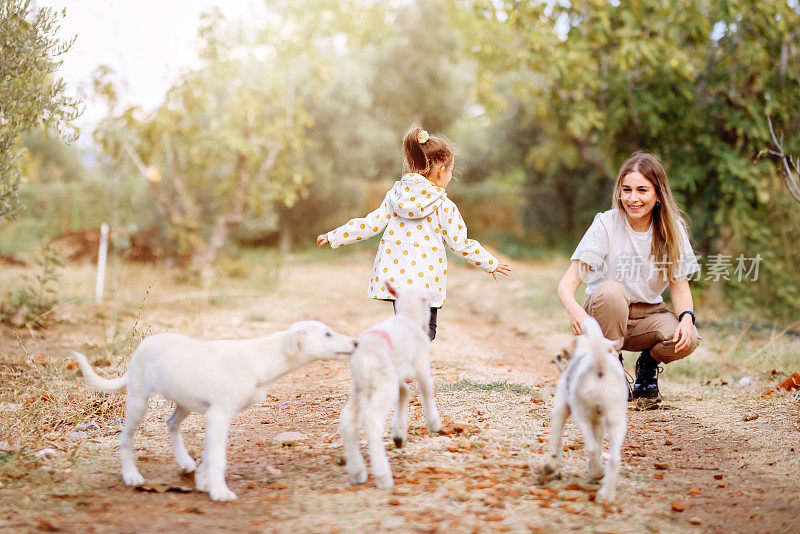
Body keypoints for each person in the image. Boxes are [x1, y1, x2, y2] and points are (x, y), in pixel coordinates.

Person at [317, 125, 512, 340]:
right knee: (426, 332)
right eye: (451, 171)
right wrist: (489, 263)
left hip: (397, 278)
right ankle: (405, 364)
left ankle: (402, 361)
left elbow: (370, 224)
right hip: (426, 282)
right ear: (441, 171)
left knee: (406, 326)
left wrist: (335, 235)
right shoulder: (443, 205)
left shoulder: (395, 196)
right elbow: (460, 244)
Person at [557, 151, 700, 399]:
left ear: (658, 195)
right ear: (619, 192)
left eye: (642, 190)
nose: (633, 198)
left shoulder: (672, 229)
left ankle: (647, 366)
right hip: (606, 313)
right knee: (611, 290)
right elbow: (567, 284)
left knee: (690, 338)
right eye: (627, 190)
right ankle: (612, 367)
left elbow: (679, 286)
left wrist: (687, 319)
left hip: (648, 316)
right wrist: (574, 309)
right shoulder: (605, 224)